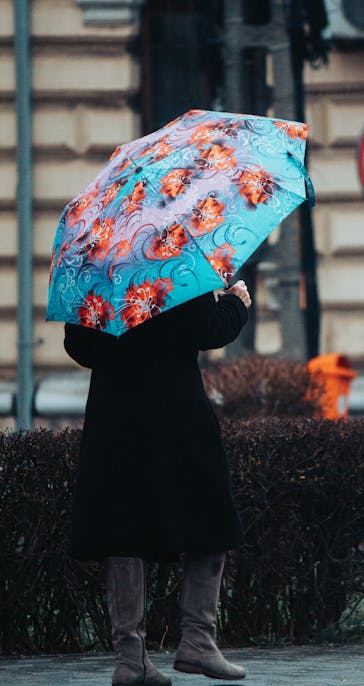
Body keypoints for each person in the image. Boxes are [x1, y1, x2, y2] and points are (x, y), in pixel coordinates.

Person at [64, 281, 252, 686]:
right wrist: (236, 304)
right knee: (211, 514)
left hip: (114, 415)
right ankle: (198, 640)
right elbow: (208, 330)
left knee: (123, 528)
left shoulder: (99, 265)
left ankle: (130, 660)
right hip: (175, 410)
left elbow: (79, 347)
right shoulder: (173, 259)